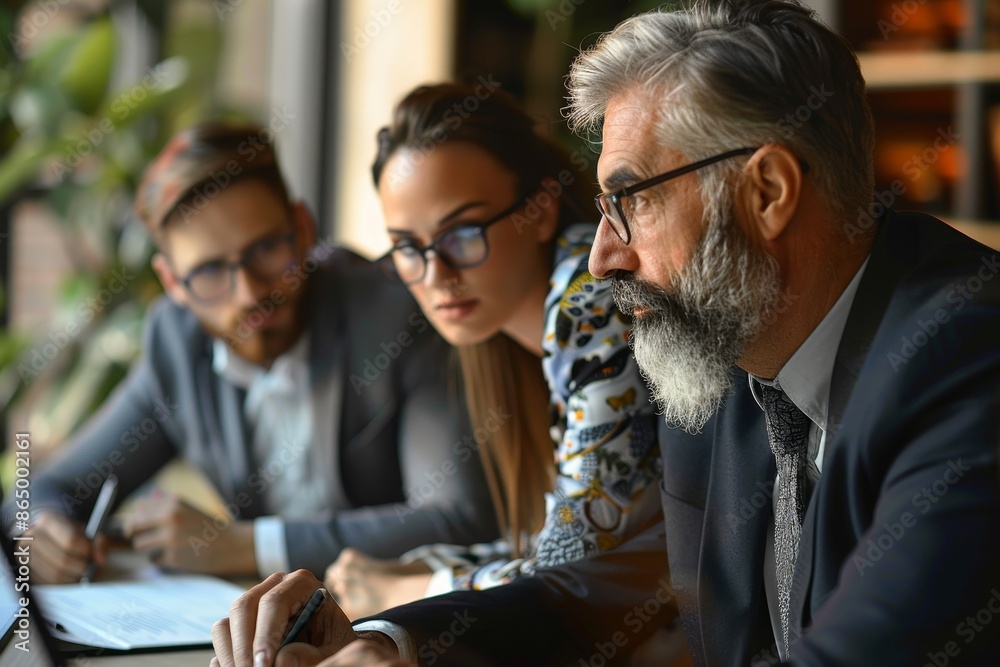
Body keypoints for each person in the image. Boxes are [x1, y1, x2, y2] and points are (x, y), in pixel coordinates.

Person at [210, 1, 1000, 666]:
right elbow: (595, 592)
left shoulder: (965, 356)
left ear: (767, 190)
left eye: (633, 200)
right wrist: (395, 642)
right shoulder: (724, 347)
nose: (601, 253)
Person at [7, 121, 499, 583]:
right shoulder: (177, 345)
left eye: (265, 250)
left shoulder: (396, 316)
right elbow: (41, 491)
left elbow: (457, 519)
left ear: (303, 228)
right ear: (173, 283)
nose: (247, 292)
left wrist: (250, 546)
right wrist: (43, 527)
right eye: (209, 272)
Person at [318, 83, 662, 620]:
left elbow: (569, 567)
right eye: (409, 247)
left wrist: (403, 591)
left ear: (541, 210)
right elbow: (541, 545)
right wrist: (425, 567)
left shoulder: (588, 302)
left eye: (463, 232)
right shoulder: (513, 331)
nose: (437, 276)